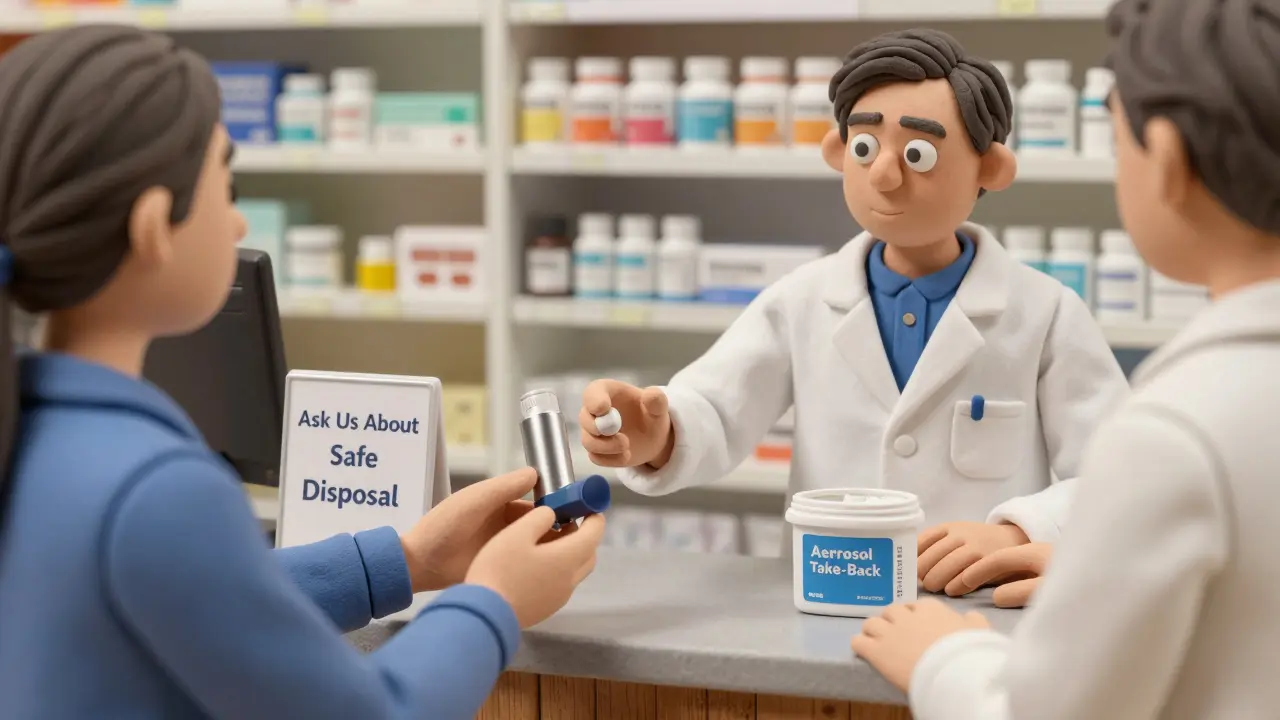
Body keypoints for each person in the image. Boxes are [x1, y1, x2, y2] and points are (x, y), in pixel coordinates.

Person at [0, 26, 604, 719]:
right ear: (154, 227)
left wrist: (407, 559)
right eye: (227, 185)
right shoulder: (157, 488)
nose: (234, 225)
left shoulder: (32, 434)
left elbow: (192, 595)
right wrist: (494, 600)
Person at [850, 1, 1280, 717]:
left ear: (1167, 160)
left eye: (1119, 145)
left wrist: (942, 655)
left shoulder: (1174, 429)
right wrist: (1099, 576)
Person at [579, 29, 1127, 590]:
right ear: (838, 153)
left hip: (977, 597)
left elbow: (1121, 472)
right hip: (828, 583)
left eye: (918, 153)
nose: (885, 175)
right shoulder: (802, 299)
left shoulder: (1046, 312)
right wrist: (659, 432)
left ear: (990, 168)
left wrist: (1020, 531)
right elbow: (719, 408)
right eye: (865, 148)